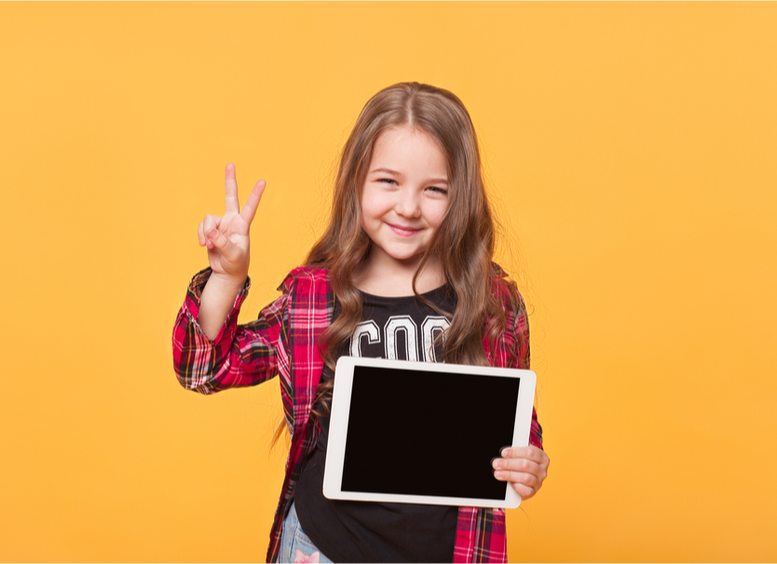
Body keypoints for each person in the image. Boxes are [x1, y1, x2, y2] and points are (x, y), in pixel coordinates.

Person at [172, 82, 549, 563]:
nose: (408, 207)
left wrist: (528, 462)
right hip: (322, 548)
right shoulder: (312, 298)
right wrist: (226, 277)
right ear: (356, 182)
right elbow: (202, 370)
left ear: (462, 197)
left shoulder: (492, 301)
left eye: (434, 189)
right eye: (388, 182)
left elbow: (516, 421)